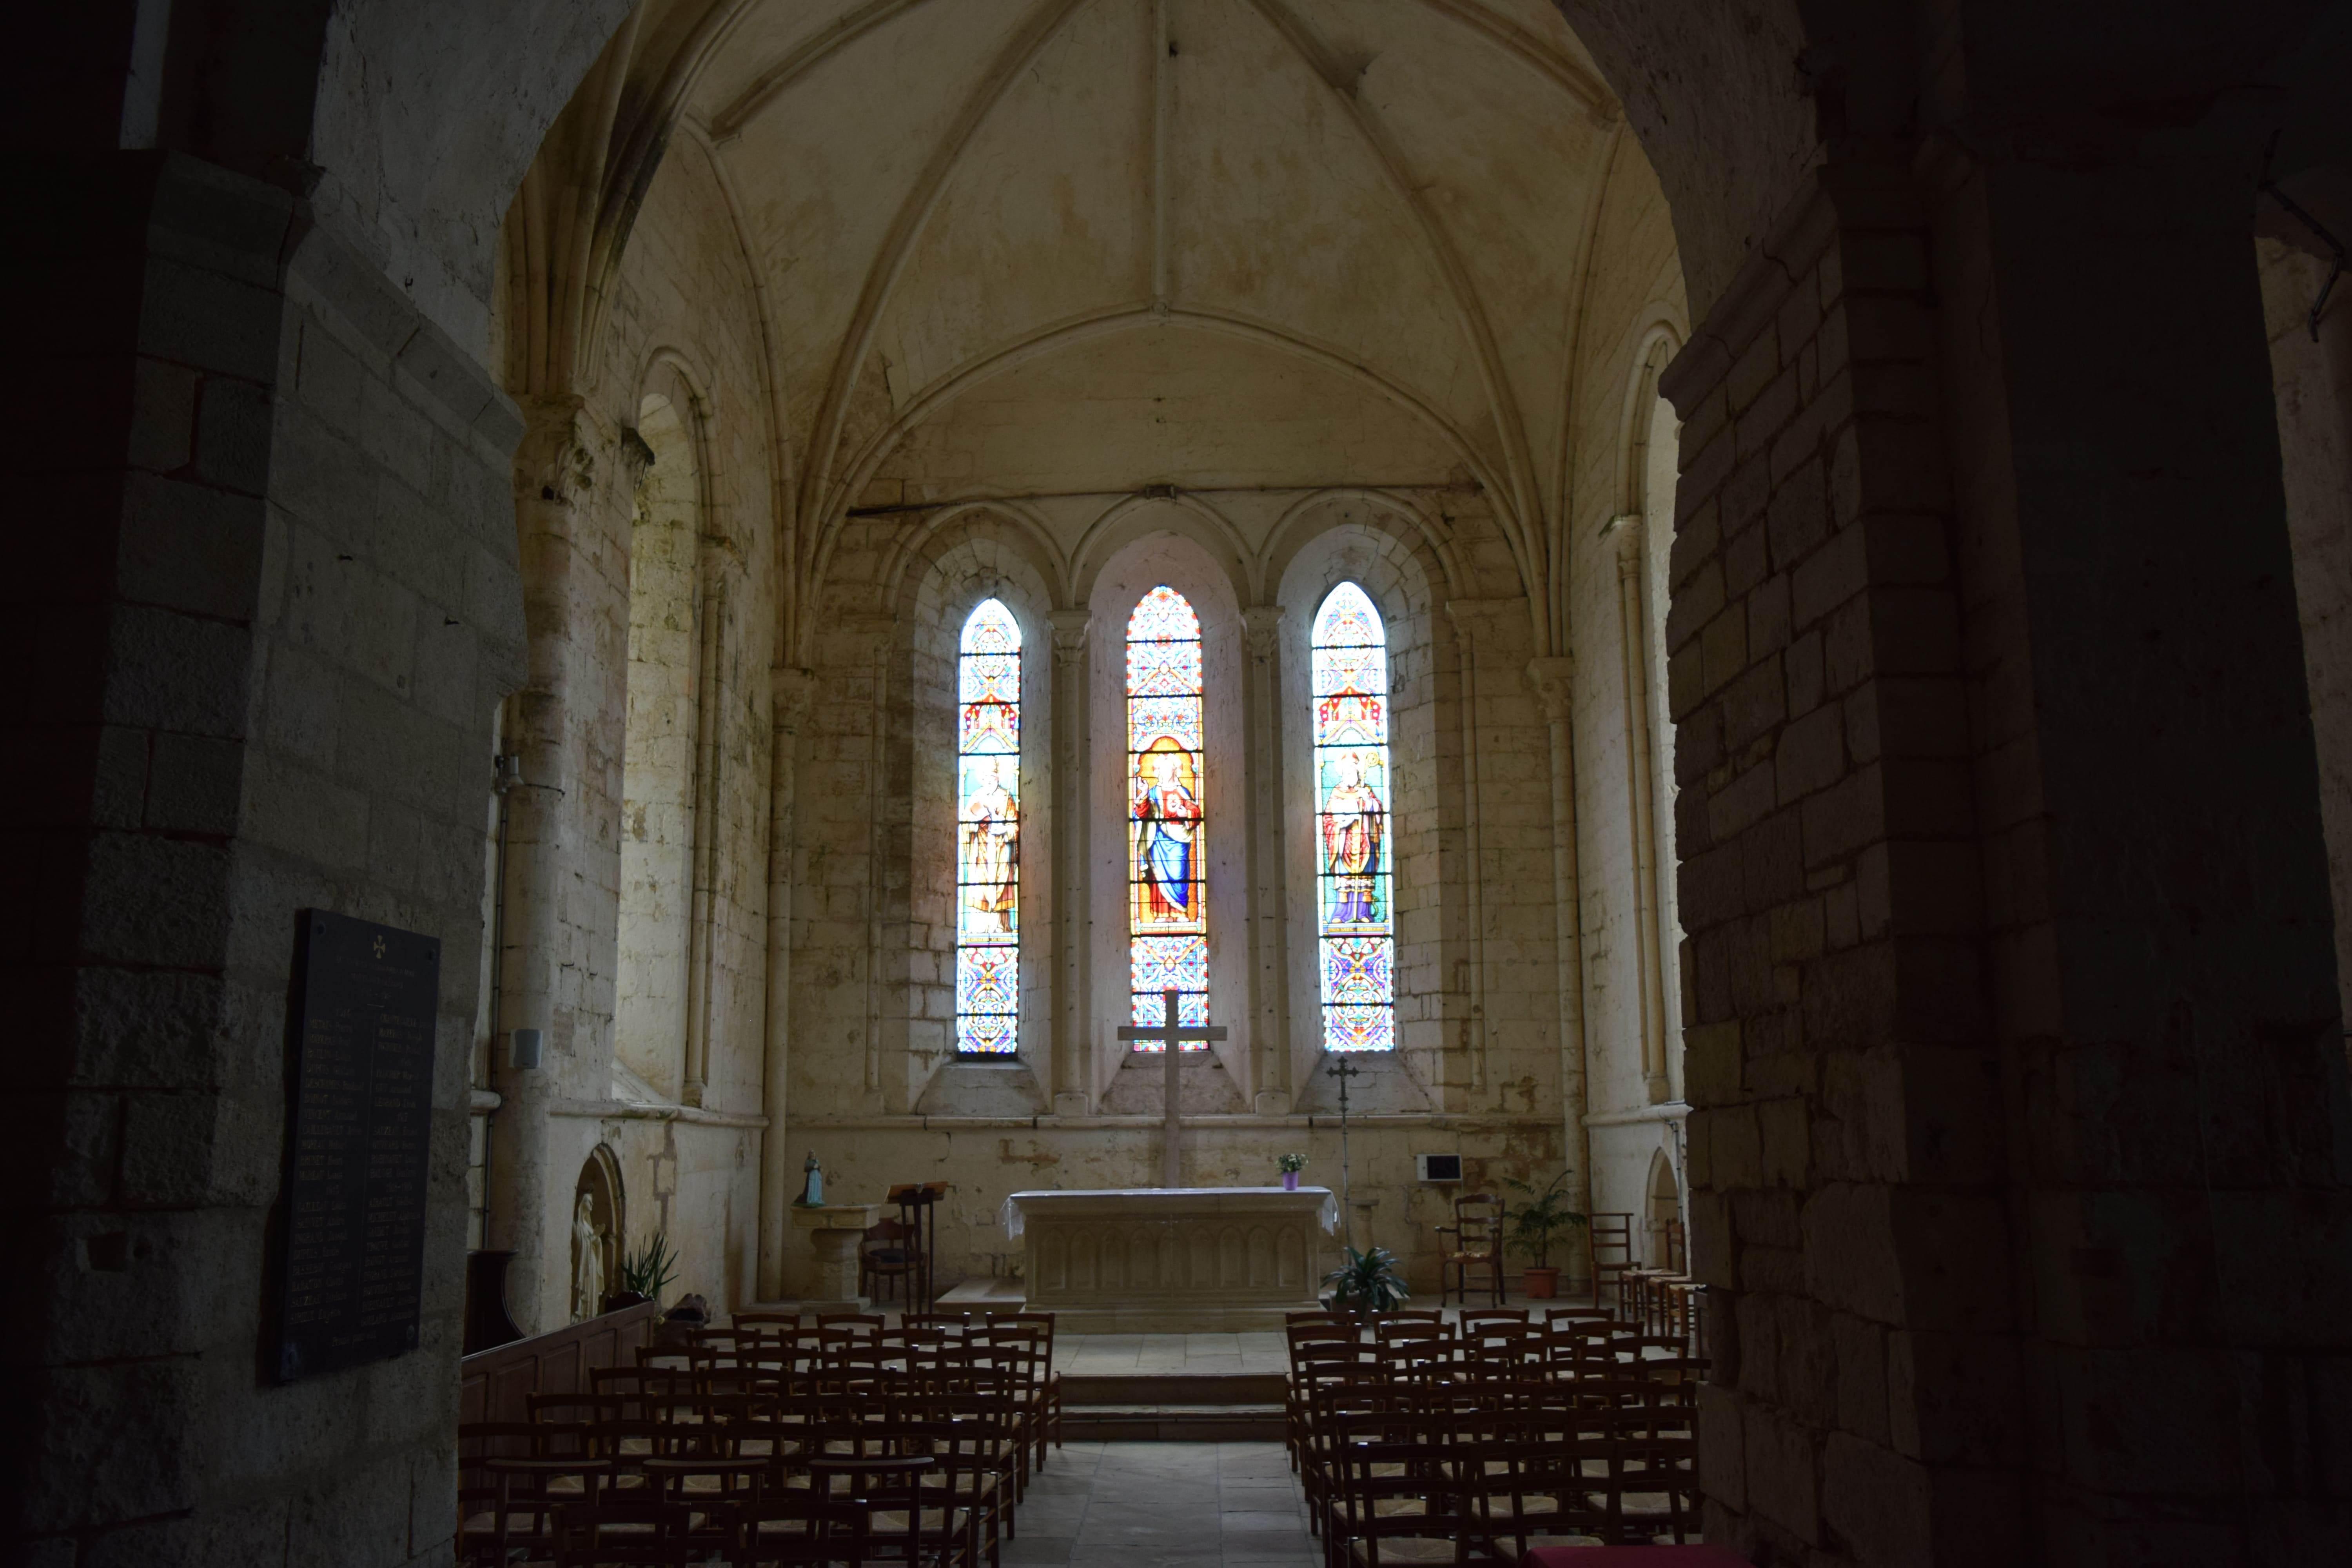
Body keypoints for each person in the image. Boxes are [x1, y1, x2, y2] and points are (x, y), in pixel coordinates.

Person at [1134, 744, 1202, 925]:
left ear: (1175, 770)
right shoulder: (1155, 792)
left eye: (1169, 768)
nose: (1166, 771)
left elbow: (1195, 811)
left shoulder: (1182, 791)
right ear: (1158, 772)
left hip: (1179, 841)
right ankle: (1163, 914)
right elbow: (1142, 813)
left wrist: (1185, 815)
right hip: (1158, 839)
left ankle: (1181, 912)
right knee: (1160, 877)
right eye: (1162, 769)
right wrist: (1143, 794)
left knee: (1179, 873)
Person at [1321, 751, 1384, 926]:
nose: (1352, 775)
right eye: (1349, 772)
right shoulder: (1336, 792)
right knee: (1345, 878)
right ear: (1342, 773)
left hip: (1366, 842)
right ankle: (1341, 914)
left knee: (1365, 877)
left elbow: (1378, 812)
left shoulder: (1366, 791)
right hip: (1345, 842)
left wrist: (1369, 802)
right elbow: (1327, 818)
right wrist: (1341, 822)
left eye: (1355, 771)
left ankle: (1364, 912)